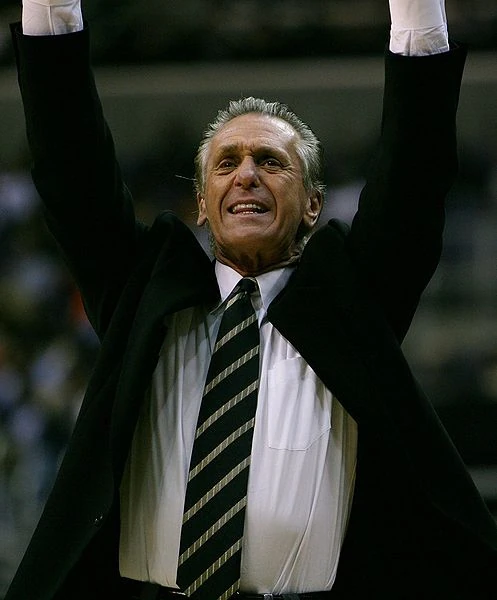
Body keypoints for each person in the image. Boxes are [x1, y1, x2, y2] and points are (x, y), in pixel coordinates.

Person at [7, 0, 497, 598]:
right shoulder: (144, 294)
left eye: (271, 161)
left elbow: (414, 178)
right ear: (202, 204)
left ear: (312, 204)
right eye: (227, 163)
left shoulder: (353, 305)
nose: (247, 175)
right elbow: (70, 165)